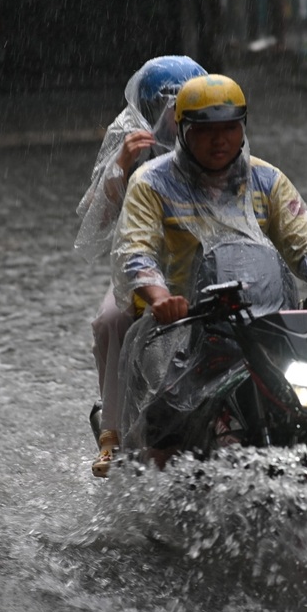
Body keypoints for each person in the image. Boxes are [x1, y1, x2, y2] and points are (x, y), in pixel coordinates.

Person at [110, 74, 307, 446]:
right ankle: (153, 473)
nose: (220, 140)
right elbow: (137, 251)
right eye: (205, 130)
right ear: (182, 130)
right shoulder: (151, 183)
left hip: (265, 320)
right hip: (184, 325)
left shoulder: (268, 180)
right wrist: (162, 298)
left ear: (242, 127)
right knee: (166, 416)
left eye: (229, 128)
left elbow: (305, 244)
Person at [74, 56, 206, 478]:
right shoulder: (131, 145)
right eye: (164, 106)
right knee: (110, 321)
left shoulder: (215, 141)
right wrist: (119, 169)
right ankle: (113, 432)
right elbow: (95, 221)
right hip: (141, 264)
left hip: (206, 264)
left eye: (180, 107)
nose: (171, 117)